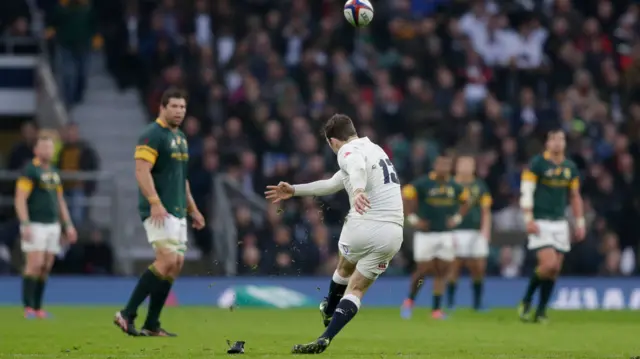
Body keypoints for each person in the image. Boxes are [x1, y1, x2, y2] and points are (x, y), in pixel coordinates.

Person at [264, 114, 404, 354]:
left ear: (332, 141)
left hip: (365, 222)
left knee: (343, 269)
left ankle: (329, 308)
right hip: (393, 234)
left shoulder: (347, 151)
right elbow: (331, 184)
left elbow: (356, 167)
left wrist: (359, 190)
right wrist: (295, 190)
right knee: (357, 290)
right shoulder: (376, 149)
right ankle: (326, 337)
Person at [113, 88, 206, 336]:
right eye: (174, 106)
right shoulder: (152, 134)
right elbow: (141, 171)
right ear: (162, 108)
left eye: (182, 107)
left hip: (177, 210)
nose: (179, 111)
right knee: (166, 260)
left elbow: (181, 178)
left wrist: (193, 209)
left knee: (175, 263)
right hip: (159, 210)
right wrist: (154, 201)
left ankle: (152, 323)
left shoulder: (180, 137)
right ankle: (126, 313)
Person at [518, 129, 585, 323]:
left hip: (560, 223)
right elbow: (527, 190)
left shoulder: (570, 167)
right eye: (553, 139)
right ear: (547, 143)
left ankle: (540, 312)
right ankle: (527, 299)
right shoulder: (537, 163)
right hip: (540, 221)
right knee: (549, 264)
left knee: (554, 271)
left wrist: (579, 222)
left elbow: (574, 196)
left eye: (561, 139)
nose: (557, 143)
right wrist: (528, 218)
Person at [15, 134, 78, 319]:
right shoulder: (30, 170)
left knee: (46, 266)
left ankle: (38, 306)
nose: (48, 151)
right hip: (35, 223)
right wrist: (25, 223)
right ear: (36, 150)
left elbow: (60, 201)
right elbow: (20, 198)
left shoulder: (53, 172)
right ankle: (28, 307)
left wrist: (68, 225)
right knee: (34, 263)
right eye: (44, 147)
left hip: (53, 225)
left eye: (50, 147)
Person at [400, 154, 469, 320]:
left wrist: (457, 219)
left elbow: (466, 200)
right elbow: (406, 194)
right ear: (435, 165)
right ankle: (410, 299)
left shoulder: (454, 185)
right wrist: (413, 219)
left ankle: (436, 309)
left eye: (446, 165)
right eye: (441, 164)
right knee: (423, 270)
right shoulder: (423, 183)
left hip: (445, 234)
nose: (444, 168)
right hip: (426, 235)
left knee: (441, 272)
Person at [446, 155, 492, 311]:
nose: (465, 167)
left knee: (478, 267)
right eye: (462, 164)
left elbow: (486, 210)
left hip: (475, 231)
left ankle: (477, 303)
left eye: (469, 164)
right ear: (457, 166)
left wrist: (486, 229)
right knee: (454, 266)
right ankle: (450, 302)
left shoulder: (480, 186)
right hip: (455, 231)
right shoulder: (449, 184)